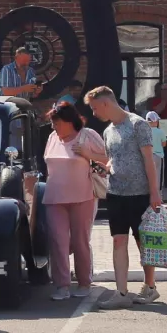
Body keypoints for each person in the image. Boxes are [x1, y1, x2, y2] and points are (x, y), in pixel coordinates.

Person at [86, 87, 163, 309]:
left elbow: (149, 160)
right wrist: (104, 169)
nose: (93, 113)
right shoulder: (108, 131)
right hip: (116, 193)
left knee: (143, 242)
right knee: (119, 240)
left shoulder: (138, 124)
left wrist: (154, 192)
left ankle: (150, 287)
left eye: (94, 108)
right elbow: (113, 160)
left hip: (140, 194)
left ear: (105, 103)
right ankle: (121, 292)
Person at [42, 102, 106, 301]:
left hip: (83, 196)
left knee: (80, 241)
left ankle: (84, 282)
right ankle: (62, 285)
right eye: (53, 123)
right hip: (54, 197)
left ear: (70, 121)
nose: (54, 127)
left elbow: (107, 158)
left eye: (57, 123)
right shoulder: (52, 137)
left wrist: (87, 153)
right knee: (58, 241)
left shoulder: (88, 135)